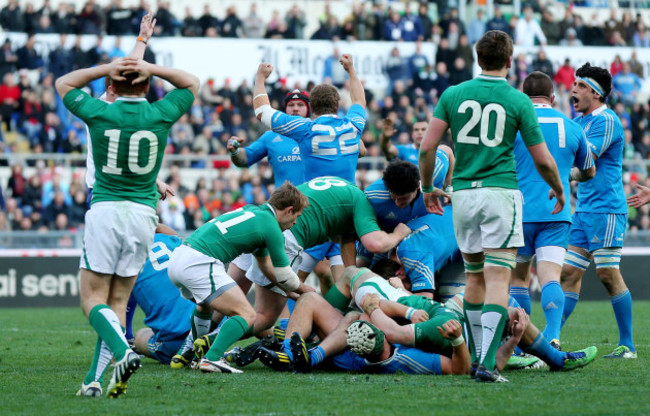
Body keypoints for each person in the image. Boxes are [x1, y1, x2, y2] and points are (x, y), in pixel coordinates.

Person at [418, 30, 564, 383]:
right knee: (499, 276)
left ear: (476, 57)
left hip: (464, 196)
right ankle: (485, 362)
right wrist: (559, 189)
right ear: (510, 61)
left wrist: (428, 188)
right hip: (500, 193)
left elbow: (426, 148)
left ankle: (476, 358)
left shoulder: (453, 94)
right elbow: (542, 159)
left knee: (473, 277)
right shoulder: (517, 100)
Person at [57, 34, 198, 396]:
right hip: (143, 215)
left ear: (111, 84)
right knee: (119, 303)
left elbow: (64, 83)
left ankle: (123, 352)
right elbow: (191, 83)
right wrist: (147, 60)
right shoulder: (160, 113)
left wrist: (111, 66)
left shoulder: (100, 111)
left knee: (92, 300)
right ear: (148, 84)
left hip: (106, 209)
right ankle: (91, 381)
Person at [167, 182, 311, 374]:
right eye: (296, 217)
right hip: (200, 261)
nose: (295, 223)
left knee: (204, 305)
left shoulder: (252, 211)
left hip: (180, 257)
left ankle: (194, 354)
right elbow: (285, 274)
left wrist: (289, 292)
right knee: (247, 314)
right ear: (289, 210)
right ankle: (212, 358)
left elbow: (265, 265)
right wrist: (305, 291)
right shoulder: (272, 227)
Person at [510, 71, 595, 348]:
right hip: (556, 213)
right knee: (550, 278)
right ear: (553, 97)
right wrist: (566, 176)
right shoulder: (572, 127)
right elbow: (589, 171)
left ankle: (522, 340)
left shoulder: (514, 123)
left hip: (518, 211)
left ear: (523, 96)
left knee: (518, 278)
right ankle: (554, 337)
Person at [560, 63, 636, 359]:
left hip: (606, 209)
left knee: (606, 273)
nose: (572, 90)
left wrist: (561, 173)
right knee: (568, 273)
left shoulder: (606, 121)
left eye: (578, 86)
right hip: (585, 210)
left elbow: (586, 160)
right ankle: (550, 339)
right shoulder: (579, 122)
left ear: (594, 92)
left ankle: (628, 346)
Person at [81, 229, 196, 391]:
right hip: (212, 322)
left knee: (139, 332)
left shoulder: (126, 256)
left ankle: (120, 351)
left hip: (177, 340)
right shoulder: (172, 240)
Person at [253, 54, 365, 184]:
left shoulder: (305, 128)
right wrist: (350, 69)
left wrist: (260, 77)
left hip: (317, 199)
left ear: (311, 107)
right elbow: (359, 101)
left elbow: (262, 112)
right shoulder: (353, 125)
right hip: (348, 198)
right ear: (338, 105)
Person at [379, 118, 454, 171]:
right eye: (416, 130)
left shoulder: (438, 151)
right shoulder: (405, 149)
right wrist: (385, 138)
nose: (419, 132)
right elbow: (387, 149)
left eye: (423, 129)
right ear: (412, 134)